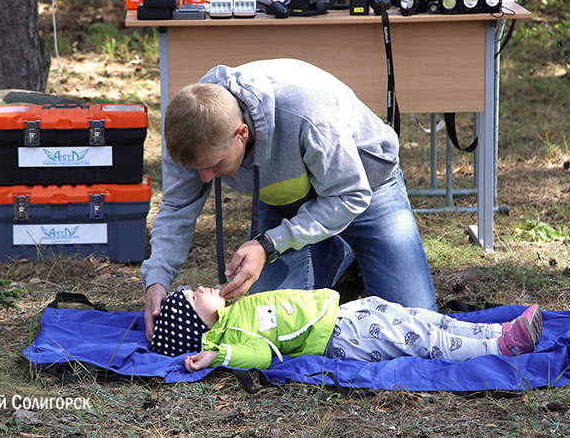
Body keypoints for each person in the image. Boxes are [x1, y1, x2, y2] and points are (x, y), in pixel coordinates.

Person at [141, 58, 438, 341]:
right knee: (263, 321)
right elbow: (178, 206)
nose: (205, 178)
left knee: (417, 325)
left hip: (362, 187)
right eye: (198, 170)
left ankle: (349, 248)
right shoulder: (189, 130)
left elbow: (350, 194)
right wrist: (156, 279)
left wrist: (269, 244)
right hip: (286, 197)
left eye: (214, 166)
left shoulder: (307, 115)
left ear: (241, 133)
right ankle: (338, 263)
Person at [148, 286, 544, 371]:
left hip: (347, 313)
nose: (199, 288)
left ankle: (496, 332)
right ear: (195, 320)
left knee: (427, 319)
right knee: (424, 340)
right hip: (343, 335)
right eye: (191, 296)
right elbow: (264, 355)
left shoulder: (233, 313)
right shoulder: (231, 336)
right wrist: (219, 356)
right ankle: (501, 349)